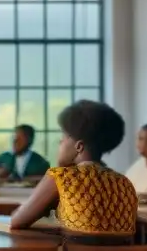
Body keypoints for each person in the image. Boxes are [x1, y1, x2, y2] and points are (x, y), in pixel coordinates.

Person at [10, 101, 137, 243]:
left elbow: (16, 221)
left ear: (79, 146)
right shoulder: (125, 183)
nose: (60, 143)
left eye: (64, 137)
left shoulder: (62, 177)